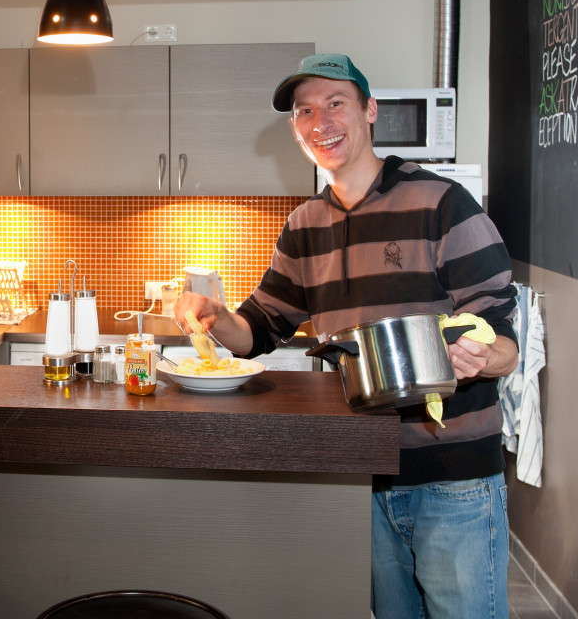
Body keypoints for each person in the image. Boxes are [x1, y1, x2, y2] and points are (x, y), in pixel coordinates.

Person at [174, 53, 518, 619]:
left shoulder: (441, 203)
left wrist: (482, 356)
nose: (320, 122)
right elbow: (259, 328)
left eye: (336, 103)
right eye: (305, 111)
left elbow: (501, 330)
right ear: (295, 129)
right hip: (362, 470)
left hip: (452, 476)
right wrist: (215, 313)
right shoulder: (304, 226)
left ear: (370, 111)